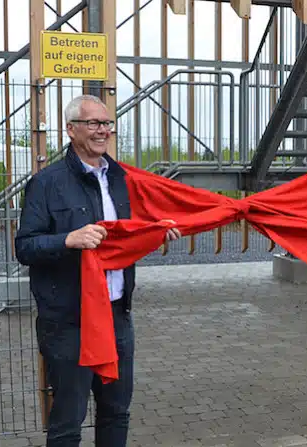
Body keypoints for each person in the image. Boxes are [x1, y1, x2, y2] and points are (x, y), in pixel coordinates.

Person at [15, 94, 181, 446]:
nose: (102, 130)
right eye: (93, 123)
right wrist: (68, 240)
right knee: (67, 422)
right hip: (69, 321)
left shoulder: (122, 179)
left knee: (116, 413)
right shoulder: (47, 183)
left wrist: (156, 234)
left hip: (117, 314)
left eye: (106, 123)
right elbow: (25, 247)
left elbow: (129, 235)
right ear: (71, 129)